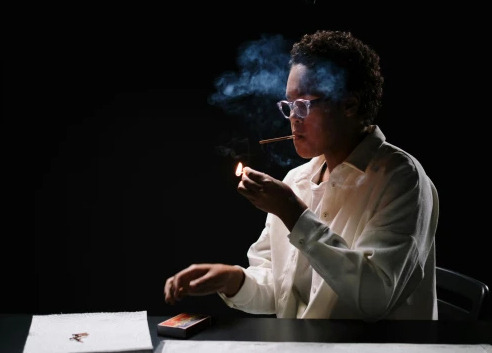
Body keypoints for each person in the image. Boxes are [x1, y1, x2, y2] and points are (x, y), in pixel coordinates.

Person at [163, 30, 439, 321]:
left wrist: (293, 213)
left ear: (349, 105)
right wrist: (233, 280)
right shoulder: (296, 180)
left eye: (305, 104)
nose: (294, 117)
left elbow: (374, 298)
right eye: (289, 105)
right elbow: (279, 290)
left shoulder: (401, 179)